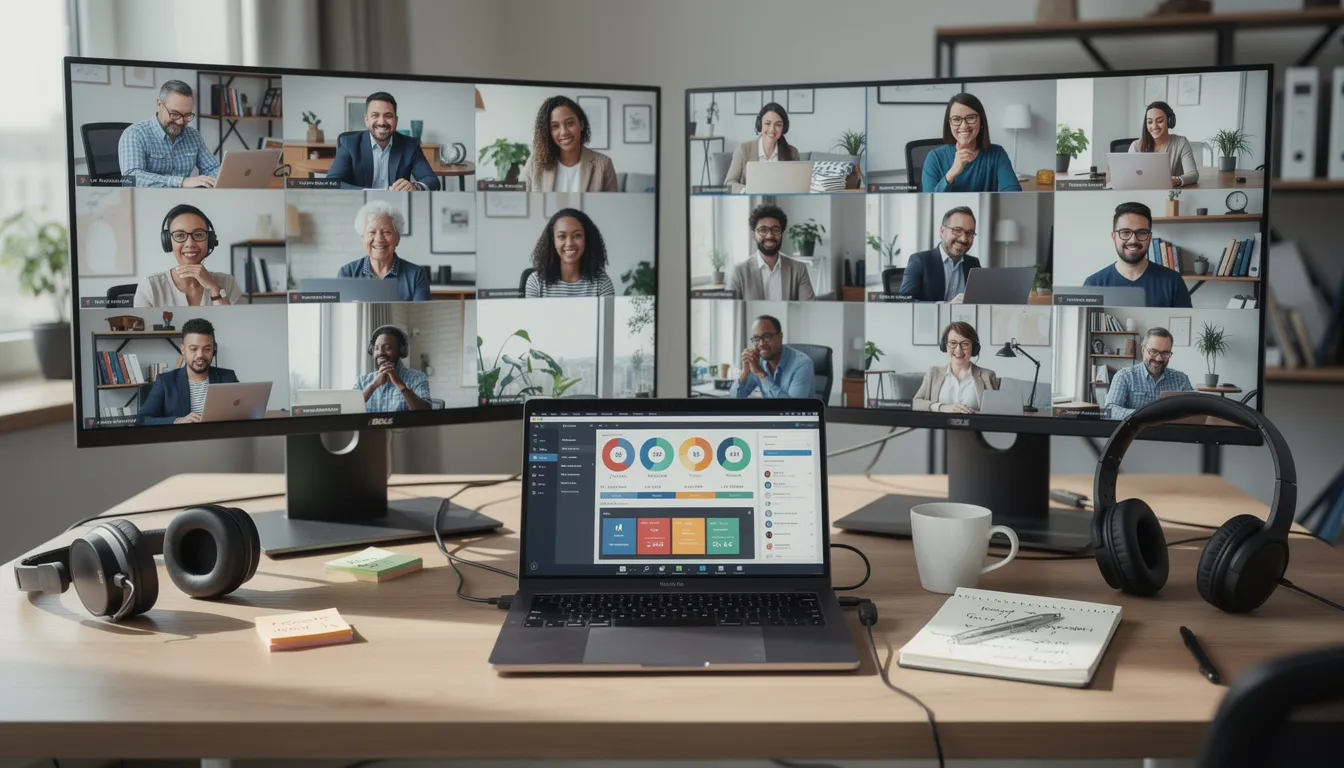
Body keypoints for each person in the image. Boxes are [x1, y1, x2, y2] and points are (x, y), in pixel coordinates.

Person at [1083, 202, 1192, 308]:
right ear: (1114, 237)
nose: (1133, 240)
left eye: (1141, 232)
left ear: (1149, 237)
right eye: (1125, 232)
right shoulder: (1093, 284)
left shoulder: (1173, 281)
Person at [326, 92, 440, 191]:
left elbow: (432, 181)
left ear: (396, 120)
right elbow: (332, 182)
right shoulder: (348, 143)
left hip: (396, 206)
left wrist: (415, 187)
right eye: (375, 115)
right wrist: (369, 192)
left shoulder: (410, 145)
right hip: (361, 205)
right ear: (366, 119)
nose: (381, 122)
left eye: (388, 116)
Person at [117, 80, 220, 188]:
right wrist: (181, 182)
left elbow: (213, 169)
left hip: (185, 200)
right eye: (175, 114)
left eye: (187, 115)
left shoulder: (193, 136)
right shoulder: (135, 134)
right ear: (159, 104)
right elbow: (131, 178)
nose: (180, 121)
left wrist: (208, 182)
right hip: (148, 201)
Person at [135, 204, 240, 307]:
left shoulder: (227, 283)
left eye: (198, 234)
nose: (190, 244)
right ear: (168, 241)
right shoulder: (150, 287)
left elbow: (235, 323)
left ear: (210, 240)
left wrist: (215, 289)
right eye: (180, 235)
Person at [137, 318, 238, 425]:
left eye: (207, 349)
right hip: (183, 440)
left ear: (214, 350)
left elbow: (244, 412)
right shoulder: (165, 381)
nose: (200, 355)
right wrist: (177, 421)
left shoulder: (228, 377)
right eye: (194, 349)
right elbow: (142, 420)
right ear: (183, 350)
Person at [921, 93, 1022, 193]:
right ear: (949, 124)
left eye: (970, 118)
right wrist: (951, 174)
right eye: (956, 119)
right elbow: (929, 203)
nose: (964, 126)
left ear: (981, 121)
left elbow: (1014, 195)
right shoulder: (934, 157)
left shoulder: (997, 154)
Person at [336, 199, 431, 301]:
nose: (379, 239)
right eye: (372, 232)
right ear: (362, 238)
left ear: (397, 239)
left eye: (386, 232)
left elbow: (421, 315)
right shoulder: (347, 273)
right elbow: (342, 314)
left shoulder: (416, 275)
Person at [521, 96, 618, 192]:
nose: (564, 132)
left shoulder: (604, 164)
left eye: (570, 123)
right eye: (555, 126)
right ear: (548, 132)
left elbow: (612, 206)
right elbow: (521, 203)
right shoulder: (534, 163)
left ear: (581, 124)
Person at [726, 204, 816, 301]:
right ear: (753, 236)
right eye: (763, 230)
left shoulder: (799, 269)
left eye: (775, 229)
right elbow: (731, 311)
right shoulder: (739, 272)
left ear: (781, 234)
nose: (769, 236)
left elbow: (809, 308)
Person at [1104, 327, 1194, 419]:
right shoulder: (1124, 376)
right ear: (1143, 350)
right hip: (1136, 433)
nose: (1159, 358)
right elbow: (1110, 411)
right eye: (1154, 351)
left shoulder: (1181, 379)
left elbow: (1194, 410)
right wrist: (1146, 414)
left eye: (1165, 353)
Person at [524, 207, 615, 297]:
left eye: (577, 235)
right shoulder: (536, 281)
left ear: (587, 239)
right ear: (553, 241)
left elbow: (607, 312)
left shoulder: (602, 283)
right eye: (562, 236)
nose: (569, 243)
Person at [898, 206, 981, 303]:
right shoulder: (919, 261)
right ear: (942, 231)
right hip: (930, 318)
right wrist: (946, 306)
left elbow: (981, 297)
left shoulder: (973, 263)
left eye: (969, 233)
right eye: (957, 230)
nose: (963, 239)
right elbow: (905, 302)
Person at [912, 322, 1001, 413]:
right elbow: (916, 403)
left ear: (974, 348)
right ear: (944, 346)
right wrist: (942, 407)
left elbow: (997, 411)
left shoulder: (987, 375)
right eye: (953, 343)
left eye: (965, 344)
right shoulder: (933, 373)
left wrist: (977, 414)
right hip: (940, 426)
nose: (958, 350)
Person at [733, 315, 816, 399]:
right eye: (756, 338)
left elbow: (792, 408)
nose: (761, 344)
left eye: (767, 336)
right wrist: (744, 372)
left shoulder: (803, 364)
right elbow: (734, 398)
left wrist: (761, 374)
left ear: (780, 337)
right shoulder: (757, 361)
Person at [724, 102, 799, 193]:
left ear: (784, 128)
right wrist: (746, 190)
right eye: (768, 123)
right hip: (750, 203)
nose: (772, 129)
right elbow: (729, 184)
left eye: (778, 125)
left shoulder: (792, 152)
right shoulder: (743, 150)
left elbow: (798, 187)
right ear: (760, 125)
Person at [355, 325, 431, 412]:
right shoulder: (362, 381)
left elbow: (425, 413)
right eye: (376, 348)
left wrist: (400, 383)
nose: (380, 353)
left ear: (400, 350)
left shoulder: (417, 377)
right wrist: (373, 385)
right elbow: (348, 409)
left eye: (387, 347)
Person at [1128, 101, 1199, 188]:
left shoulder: (1181, 142)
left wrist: (1177, 180)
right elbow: (1130, 177)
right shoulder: (1135, 146)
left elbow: (1193, 174)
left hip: (1171, 196)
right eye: (1150, 122)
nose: (1154, 126)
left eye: (1160, 121)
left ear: (1170, 121)